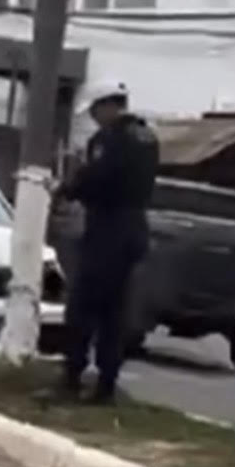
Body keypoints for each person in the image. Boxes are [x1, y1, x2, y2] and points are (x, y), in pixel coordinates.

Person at [55, 81, 159, 405]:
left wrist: (67, 189)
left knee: (83, 306)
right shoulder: (148, 137)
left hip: (108, 231)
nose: (96, 119)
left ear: (107, 106)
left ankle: (72, 377)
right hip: (134, 232)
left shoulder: (110, 139)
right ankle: (106, 385)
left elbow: (98, 179)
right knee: (116, 311)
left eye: (96, 112)